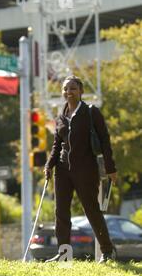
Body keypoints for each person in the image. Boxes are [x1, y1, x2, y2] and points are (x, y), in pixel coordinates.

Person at [44, 75, 117, 263]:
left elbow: (105, 140)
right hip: (62, 171)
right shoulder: (61, 116)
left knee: (92, 210)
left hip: (86, 170)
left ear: (81, 91)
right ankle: (64, 255)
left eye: (73, 88)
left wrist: (110, 167)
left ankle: (107, 251)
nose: (69, 92)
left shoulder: (91, 112)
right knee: (61, 213)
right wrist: (49, 165)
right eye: (66, 89)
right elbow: (56, 145)